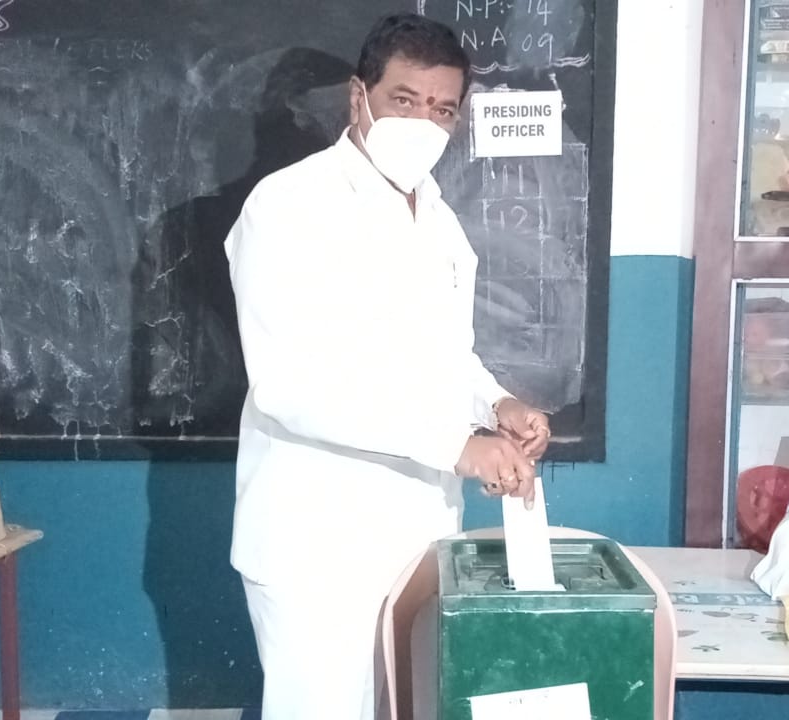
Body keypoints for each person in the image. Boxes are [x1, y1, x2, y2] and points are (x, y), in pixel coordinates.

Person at [222, 12, 551, 720]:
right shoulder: (289, 208)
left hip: (419, 535)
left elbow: (443, 355)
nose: (423, 121)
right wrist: (459, 445)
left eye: (442, 108)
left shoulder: (437, 218)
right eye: (405, 99)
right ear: (358, 97)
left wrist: (497, 406)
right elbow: (291, 387)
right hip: (318, 546)